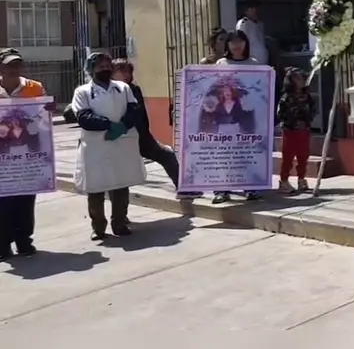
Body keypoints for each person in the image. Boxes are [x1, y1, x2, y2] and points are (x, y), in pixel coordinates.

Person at [71, 51, 146, 241]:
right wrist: (108, 125)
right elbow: (84, 117)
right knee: (96, 188)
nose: (104, 68)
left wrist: (122, 127)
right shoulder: (82, 92)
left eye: (107, 65)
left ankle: (119, 224)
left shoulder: (123, 88)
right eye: (100, 66)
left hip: (122, 143)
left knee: (120, 185)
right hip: (96, 146)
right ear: (91, 69)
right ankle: (98, 228)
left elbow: (135, 110)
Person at [111, 58, 199, 200]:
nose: (125, 74)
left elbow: (139, 114)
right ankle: (119, 216)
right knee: (119, 177)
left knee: (167, 155)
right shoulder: (109, 91)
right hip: (119, 138)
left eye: (127, 71)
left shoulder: (133, 89)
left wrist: (144, 134)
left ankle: (184, 189)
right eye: (121, 71)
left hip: (141, 136)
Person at [0, 48, 57, 260]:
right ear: (1, 68)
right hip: (3, 158)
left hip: (27, 156)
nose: (14, 69)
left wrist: (48, 108)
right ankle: (2, 245)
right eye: (9, 65)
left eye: (17, 64)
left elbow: (41, 119)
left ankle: (24, 242)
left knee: (25, 200)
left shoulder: (35, 87)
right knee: (3, 203)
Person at [212, 30, 264, 205]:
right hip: (226, 117)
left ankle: (250, 188)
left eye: (240, 41)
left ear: (246, 43)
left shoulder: (254, 64)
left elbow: (260, 89)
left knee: (246, 152)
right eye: (232, 42)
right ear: (227, 45)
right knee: (224, 155)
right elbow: (214, 87)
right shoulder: (222, 63)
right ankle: (221, 190)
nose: (236, 45)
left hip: (247, 116)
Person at [276, 67, 315, 194]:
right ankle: (284, 181)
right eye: (297, 78)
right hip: (290, 131)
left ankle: (302, 179)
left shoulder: (307, 96)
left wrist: (306, 122)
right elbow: (280, 114)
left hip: (304, 131)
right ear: (291, 80)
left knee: (303, 156)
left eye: (302, 77)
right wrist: (292, 123)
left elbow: (313, 111)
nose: (301, 80)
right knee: (288, 157)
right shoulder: (286, 97)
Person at [236, 0, 268, 66]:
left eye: (256, 8)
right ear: (246, 11)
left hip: (262, 63)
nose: (255, 10)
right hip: (250, 64)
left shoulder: (259, 24)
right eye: (252, 8)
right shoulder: (243, 24)